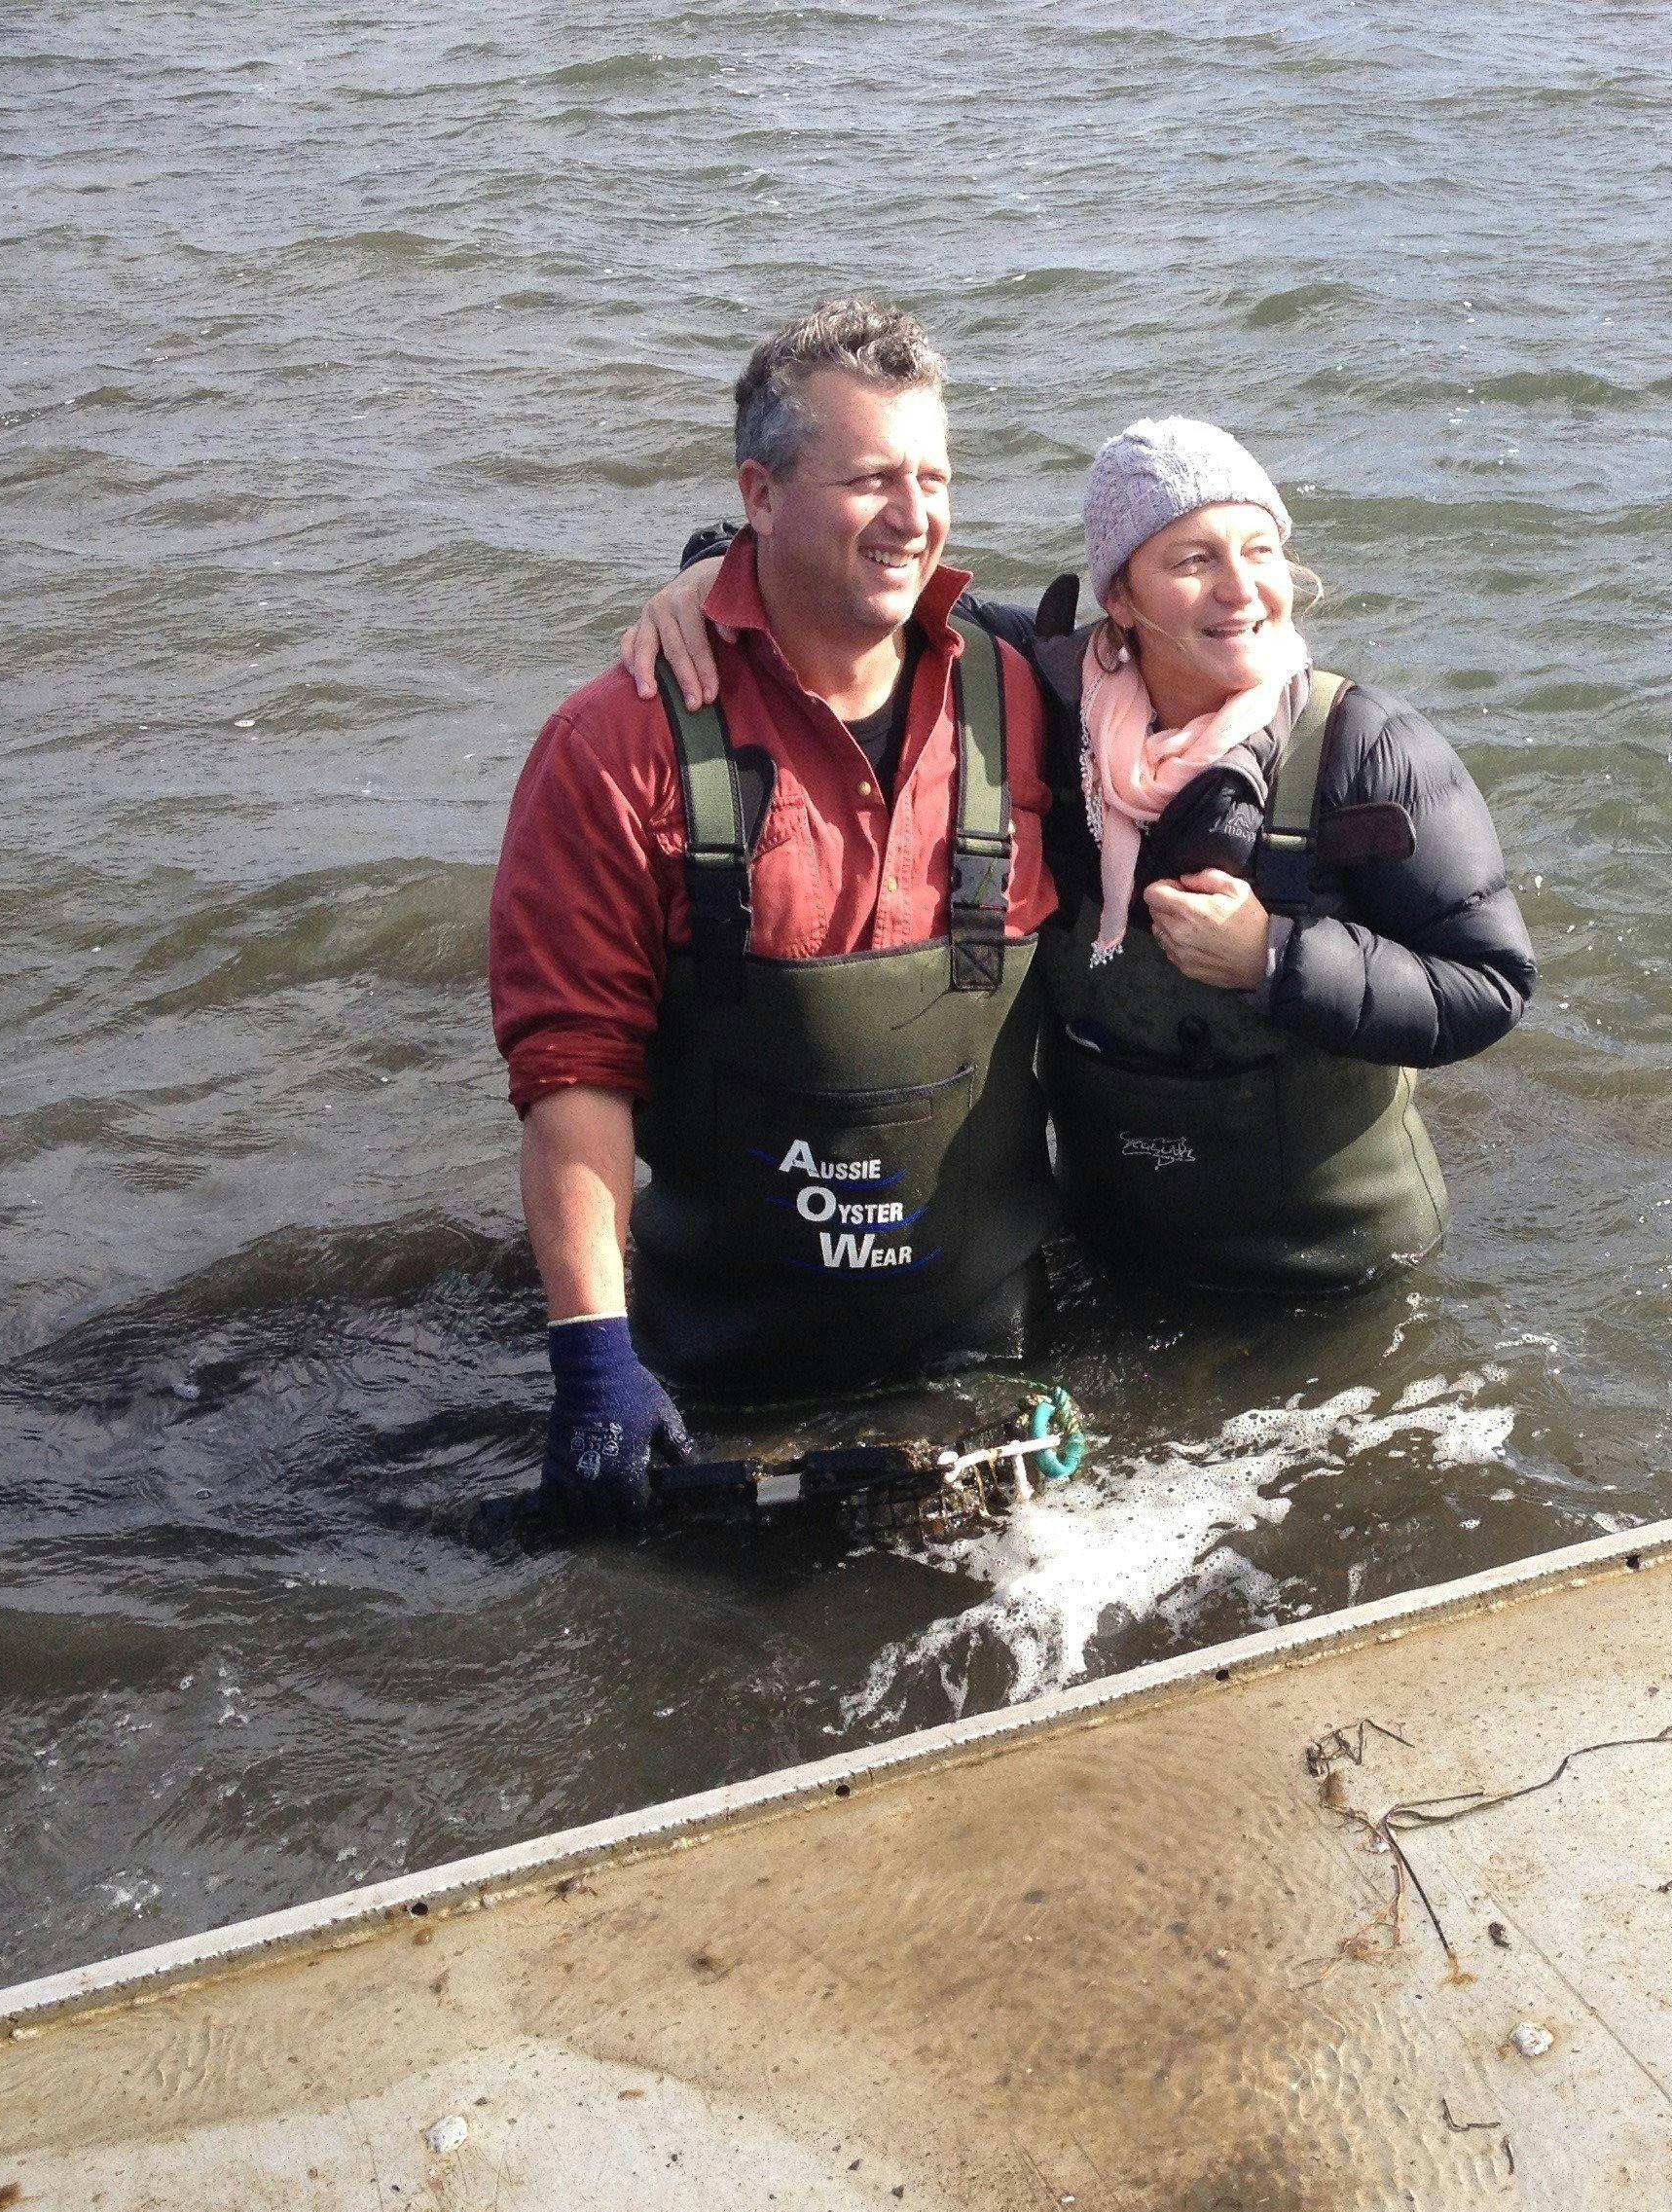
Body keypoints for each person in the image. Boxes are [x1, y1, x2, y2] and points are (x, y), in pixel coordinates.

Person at [617, 417, 1534, 1295]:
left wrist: (1277, 956)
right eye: (1194, 559)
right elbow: (871, 579)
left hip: (1337, 1273)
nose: (1242, 589)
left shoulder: (1365, 745)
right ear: (1120, 599)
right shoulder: (1047, 699)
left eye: (1260, 551)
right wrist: (709, 571)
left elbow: (1490, 983)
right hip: (1111, 1252)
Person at [491, 298, 1058, 1525]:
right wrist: (593, 1359)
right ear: (759, 495)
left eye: (933, 476)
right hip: (721, 1379)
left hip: (992, 1367)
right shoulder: (615, 741)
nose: (913, 518)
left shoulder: (1029, 697)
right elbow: (573, 1068)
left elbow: (1207, 644)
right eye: (868, 480)